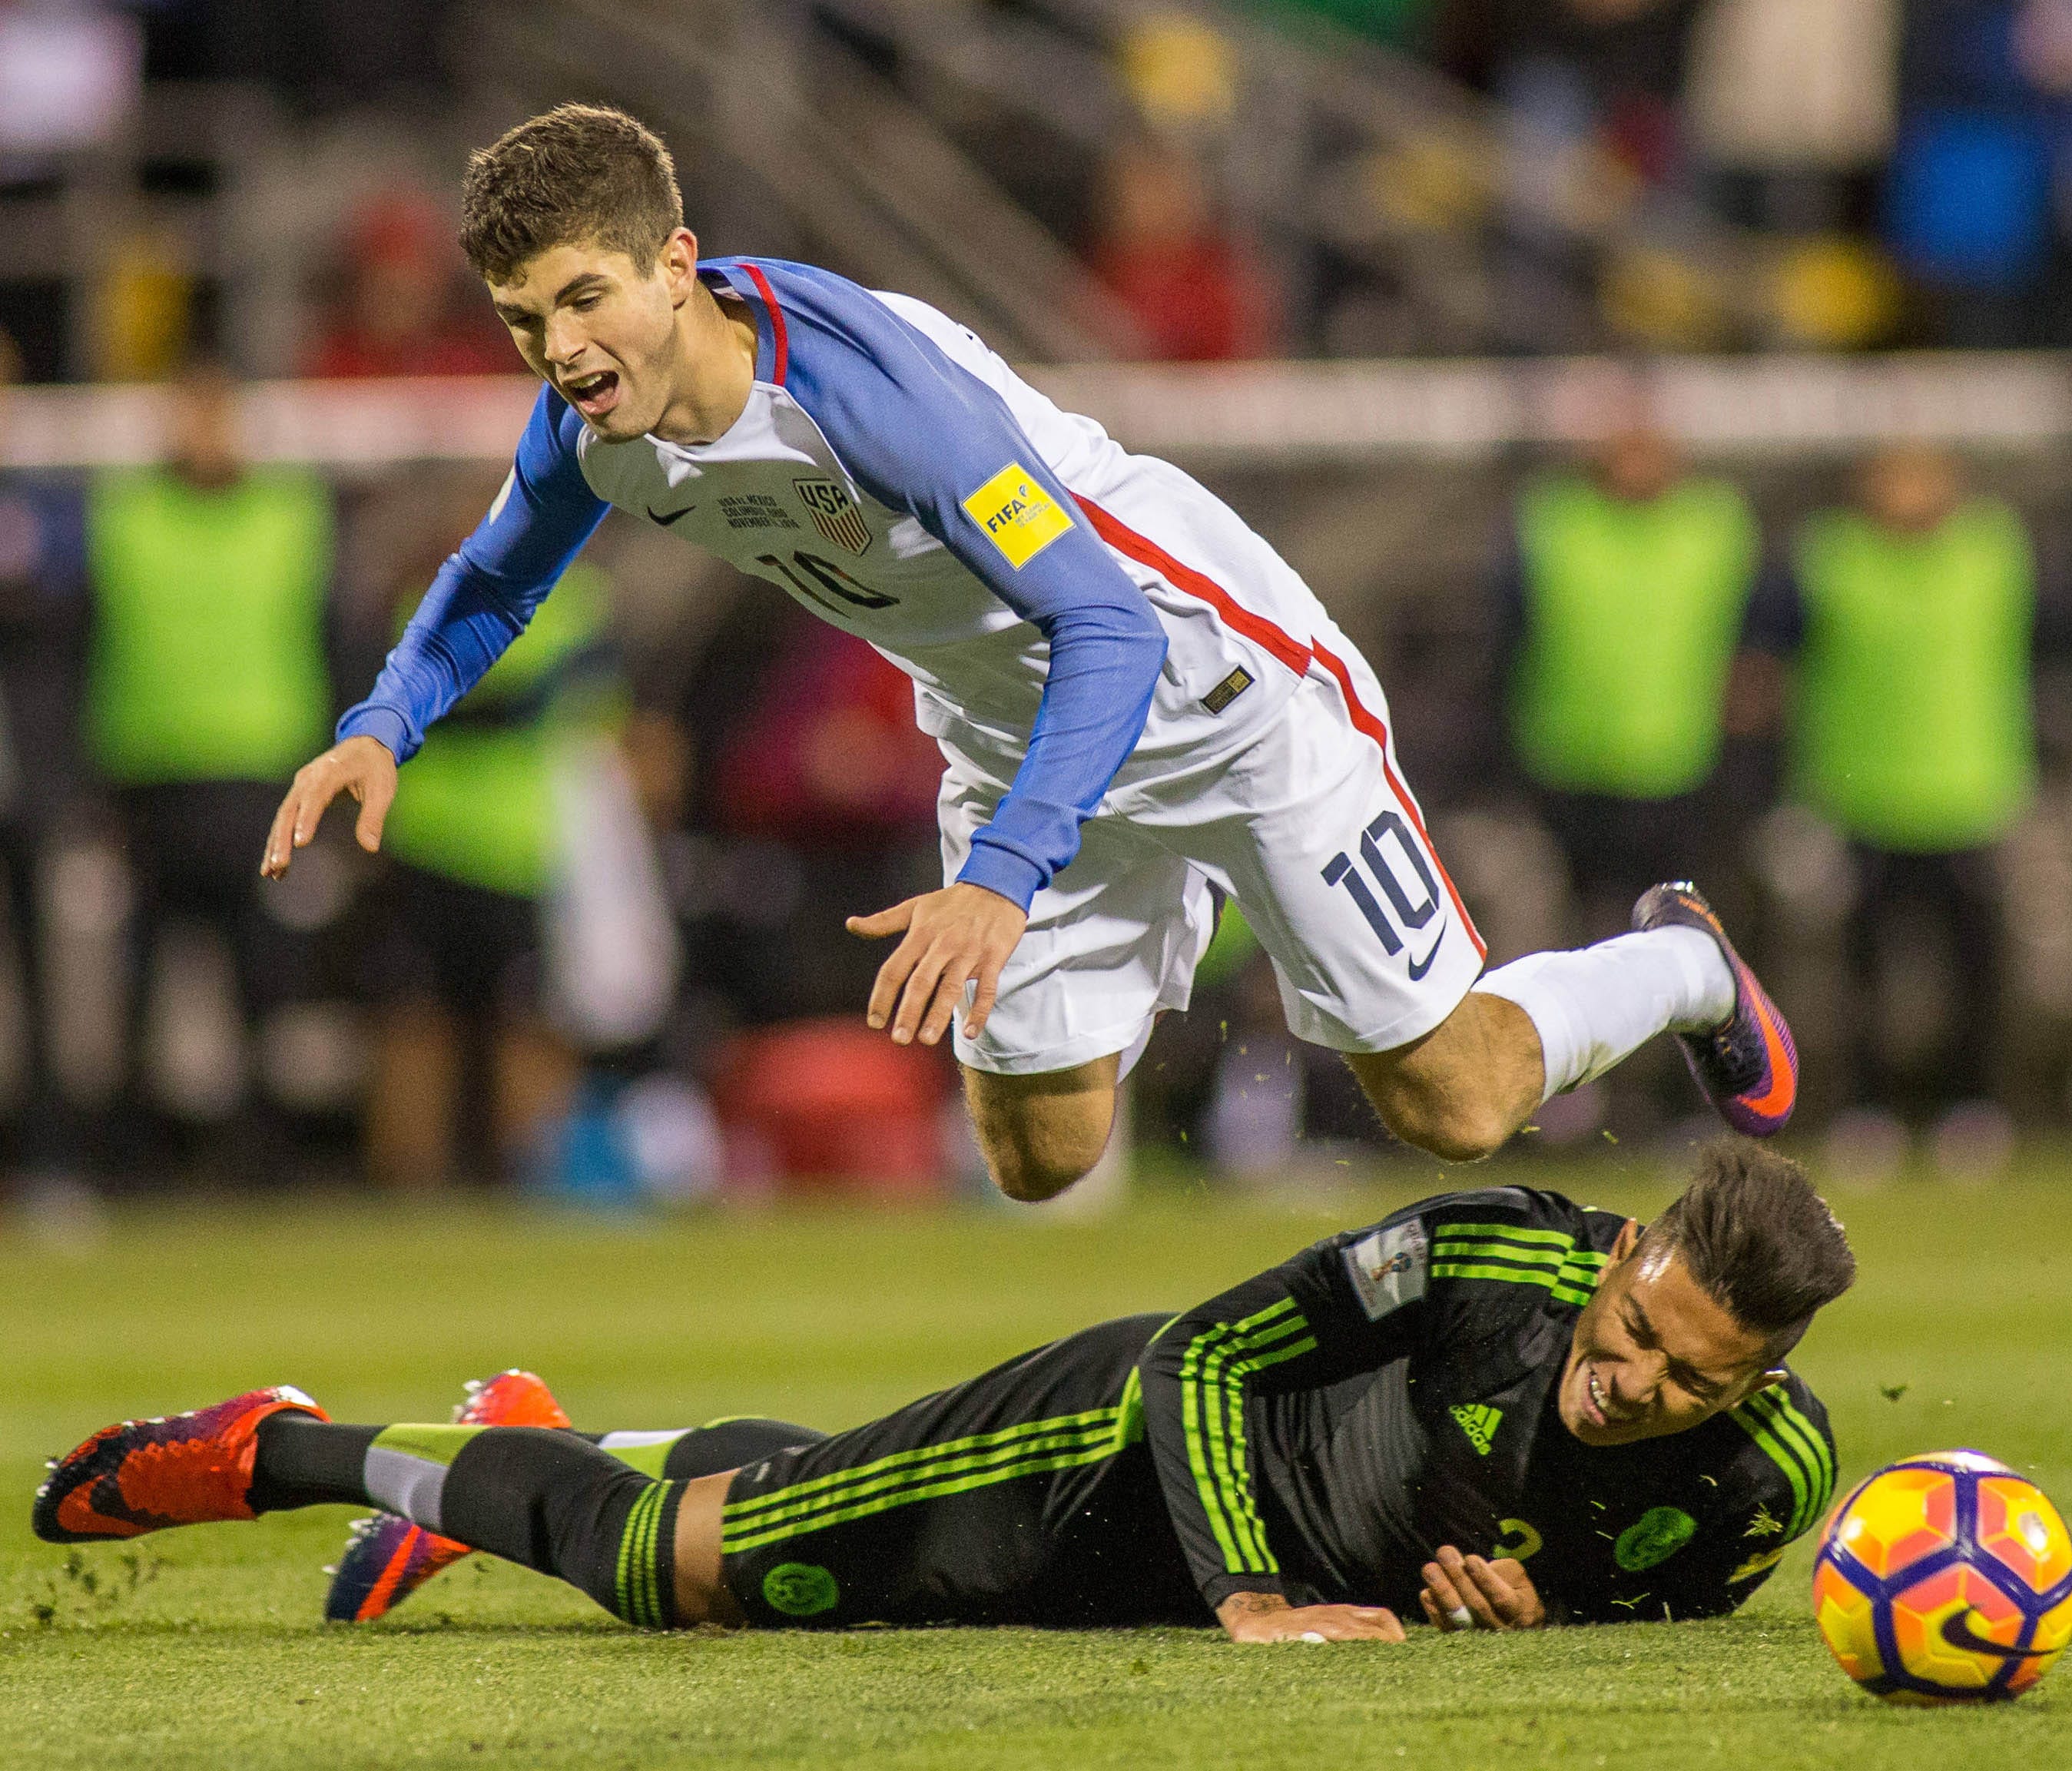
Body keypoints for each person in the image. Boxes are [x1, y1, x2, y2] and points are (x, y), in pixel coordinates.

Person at [260, 104, 1798, 1206]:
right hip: (1017, 731)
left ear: (674, 262)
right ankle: (1182, 966)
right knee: (1040, 1159)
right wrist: (384, 723)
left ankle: (1679, 963)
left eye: (583, 299)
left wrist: (1001, 877)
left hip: (1216, 686)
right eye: (526, 321)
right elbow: (493, 576)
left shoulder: (862, 393)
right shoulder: (590, 430)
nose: (560, 350)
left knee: (1451, 1102)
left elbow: (1108, 622)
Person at [36, 1141, 1852, 1642]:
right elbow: (1200, 1356)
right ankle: (290, 1449)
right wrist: (1253, 1597)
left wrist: (1523, 1609)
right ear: (1625, 1253)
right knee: (682, 1570)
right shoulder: (1488, 1257)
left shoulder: (1761, 1493)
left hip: (1192, 1560)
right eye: (1634, 1330)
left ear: (1761, 1378)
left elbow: (1632, 1578)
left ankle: (524, 1430)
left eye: (1688, 1380)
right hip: (1109, 1455)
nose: (1630, 1385)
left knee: (815, 1500)